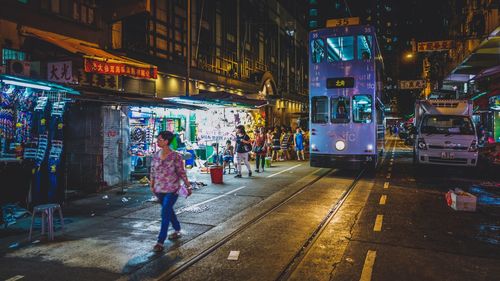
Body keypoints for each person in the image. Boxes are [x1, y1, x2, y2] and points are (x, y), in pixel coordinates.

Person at [150, 131, 192, 253]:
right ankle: (177, 229)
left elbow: (181, 172)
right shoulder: (156, 155)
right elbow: (153, 170)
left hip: (172, 189)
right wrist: (151, 184)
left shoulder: (176, 156)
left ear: (166, 141)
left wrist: (188, 186)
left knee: (165, 213)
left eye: (160, 140)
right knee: (168, 211)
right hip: (159, 189)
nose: (157, 142)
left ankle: (160, 241)